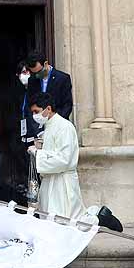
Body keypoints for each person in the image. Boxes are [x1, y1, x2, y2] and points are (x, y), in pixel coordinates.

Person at [27, 92, 85, 220]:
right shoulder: (48, 126)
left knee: (66, 220)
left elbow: (64, 159)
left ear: (48, 108)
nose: (34, 116)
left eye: (36, 111)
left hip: (62, 183)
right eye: (32, 112)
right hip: (49, 182)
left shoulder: (64, 127)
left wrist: (38, 153)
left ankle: (100, 218)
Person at [22, 50, 73, 137]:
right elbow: (29, 106)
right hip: (39, 130)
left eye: (39, 72)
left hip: (58, 127)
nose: (37, 75)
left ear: (46, 64)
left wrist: (54, 123)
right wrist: (37, 130)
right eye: (34, 73)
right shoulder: (32, 80)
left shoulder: (63, 78)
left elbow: (67, 105)